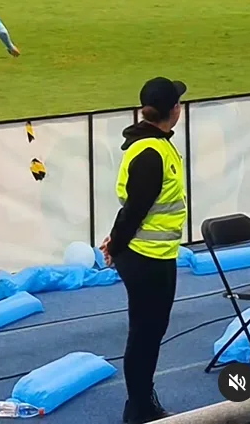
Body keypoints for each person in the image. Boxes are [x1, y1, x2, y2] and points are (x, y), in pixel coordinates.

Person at [101, 78, 187, 424]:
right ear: (173, 110)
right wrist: (116, 244)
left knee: (150, 333)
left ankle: (141, 403)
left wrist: (114, 239)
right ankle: (139, 408)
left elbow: (134, 208)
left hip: (155, 255)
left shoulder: (157, 145)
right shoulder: (151, 152)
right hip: (145, 258)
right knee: (145, 335)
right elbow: (136, 209)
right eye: (179, 102)